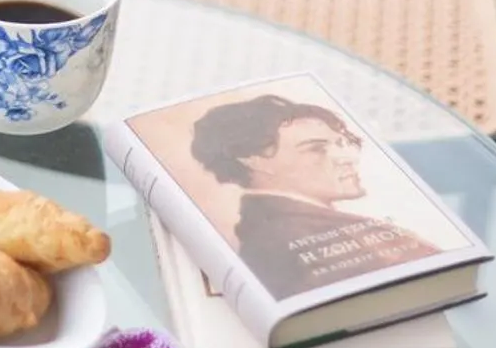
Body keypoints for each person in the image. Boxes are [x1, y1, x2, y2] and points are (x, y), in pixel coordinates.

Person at [189, 93, 441, 300]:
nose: (347, 158)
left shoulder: (285, 227)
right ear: (253, 160)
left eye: (342, 144)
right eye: (316, 148)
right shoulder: (286, 238)